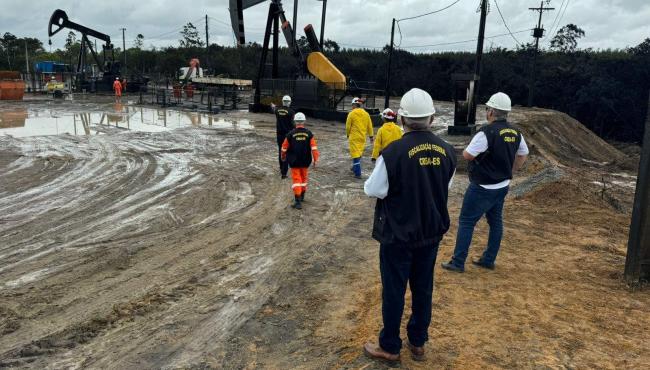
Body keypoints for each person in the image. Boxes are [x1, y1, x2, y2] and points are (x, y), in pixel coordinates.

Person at [363, 88, 457, 364]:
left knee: (394, 291)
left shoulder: (393, 153)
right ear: (431, 117)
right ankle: (418, 343)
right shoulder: (448, 151)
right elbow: (443, 187)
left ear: (402, 119)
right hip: (430, 234)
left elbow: (374, 189)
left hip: (398, 236)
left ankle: (390, 346)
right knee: (423, 288)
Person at [442, 92, 529, 273]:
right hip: (502, 185)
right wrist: (512, 170)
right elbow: (523, 154)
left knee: (466, 221)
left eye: (488, 109)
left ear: (491, 112)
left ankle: (458, 262)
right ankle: (489, 259)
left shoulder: (486, 132)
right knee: (495, 222)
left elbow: (467, 155)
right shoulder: (516, 132)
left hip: (482, 186)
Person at [281, 112, 319, 210]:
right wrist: (315, 160)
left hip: (294, 162)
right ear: (304, 121)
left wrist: (283, 156)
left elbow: (284, 147)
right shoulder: (309, 134)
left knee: (297, 180)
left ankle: (297, 202)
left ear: (295, 122)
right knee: (304, 178)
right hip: (306, 161)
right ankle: (302, 196)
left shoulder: (290, 134)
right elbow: (314, 148)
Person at [346, 97, 374, 179]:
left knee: (355, 155)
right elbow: (370, 126)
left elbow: (348, 126)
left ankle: (357, 173)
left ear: (355, 104)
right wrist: (371, 136)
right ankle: (354, 167)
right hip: (362, 137)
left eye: (352, 105)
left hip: (354, 137)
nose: (352, 106)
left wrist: (348, 134)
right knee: (359, 153)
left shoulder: (351, 114)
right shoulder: (366, 114)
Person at [272, 95, 295, 178]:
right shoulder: (291, 112)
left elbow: (274, 109)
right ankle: (284, 173)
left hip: (279, 135)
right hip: (287, 136)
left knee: (280, 151)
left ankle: (281, 168)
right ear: (289, 102)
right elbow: (293, 124)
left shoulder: (277, 110)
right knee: (286, 152)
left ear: (282, 101)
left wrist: (274, 106)